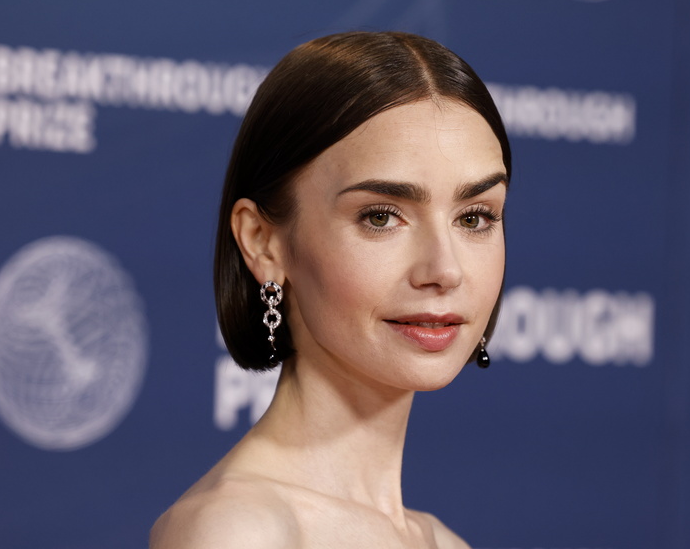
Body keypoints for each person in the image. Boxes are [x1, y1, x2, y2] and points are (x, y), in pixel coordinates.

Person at [150, 31, 511, 548]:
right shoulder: (237, 532)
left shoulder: (443, 542)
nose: (445, 270)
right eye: (381, 216)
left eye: (474, 217)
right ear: (262, 241)